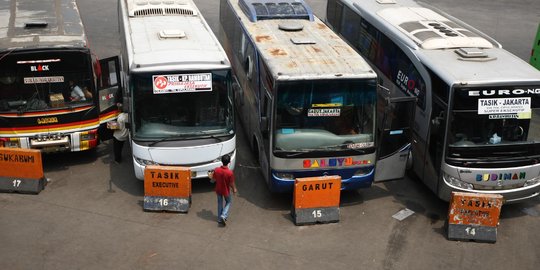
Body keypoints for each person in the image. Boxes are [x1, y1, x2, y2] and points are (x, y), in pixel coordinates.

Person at [212, 154, 237, 226]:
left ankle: (220, 219)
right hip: (226, 191)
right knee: (228, 202)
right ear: (229, 162)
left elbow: (213, 179)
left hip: (218, 190)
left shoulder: (216, 170)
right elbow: (231, 183)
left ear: (222, 161)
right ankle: (223, 215)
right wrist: (234, 189)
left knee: (220, 203)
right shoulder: (230, 173)